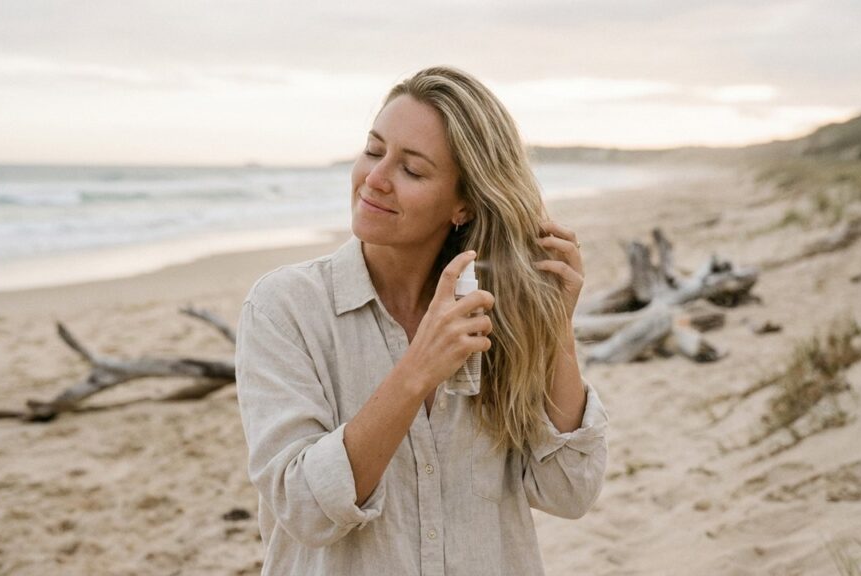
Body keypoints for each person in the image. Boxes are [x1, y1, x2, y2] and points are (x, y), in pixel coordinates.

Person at [235, 65, 609, 576]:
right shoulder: (284, 308)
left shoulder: (499, 314)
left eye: (411, 170)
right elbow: (303, 509)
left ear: (464, 203)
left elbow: (570, 491)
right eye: (373, 150)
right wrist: (418, 370)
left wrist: (557, 326)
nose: (376, 178)